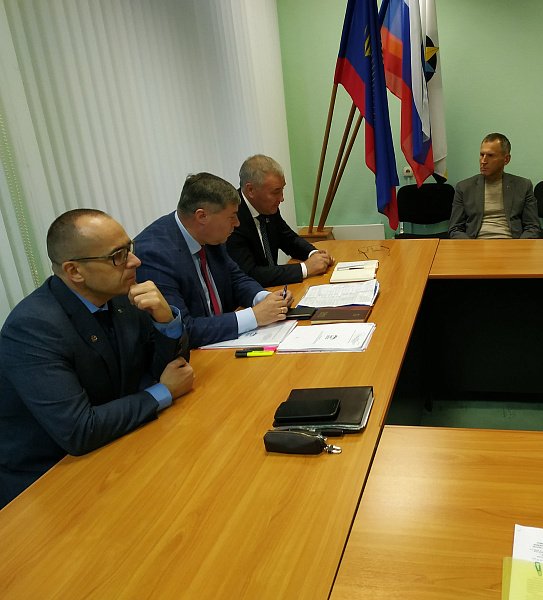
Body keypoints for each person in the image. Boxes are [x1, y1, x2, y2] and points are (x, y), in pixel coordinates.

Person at [0, 209, 193, 507]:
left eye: (129, 248)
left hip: (117, 447)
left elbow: (173, 370)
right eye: (118, 256)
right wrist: (163, 392)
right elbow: (79, 430)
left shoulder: (120, 296)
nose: (135, 261)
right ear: (74, 271)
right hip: (49, 482)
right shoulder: (32, 328)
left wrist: (167, 322)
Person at [135, 172, 292, 349]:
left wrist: (264, 298)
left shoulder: (209, 235)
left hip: (223, 343)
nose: (237, 223)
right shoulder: (154, 254)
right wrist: (254, 316)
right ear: (202, 216)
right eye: (232, 216)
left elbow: (236, 278)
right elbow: (183, 329)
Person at [227, 155, 334, 286]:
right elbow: (250, 274)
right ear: (251, 190)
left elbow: (289, 239)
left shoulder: (267, 207)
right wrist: (305, 268)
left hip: (274, 290)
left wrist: (314, 254)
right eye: (276, 192)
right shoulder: (231, 217)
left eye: (282, 190)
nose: (282, 198)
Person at [448, 133, 541, 239]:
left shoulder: (523, 186)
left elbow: (532, 227)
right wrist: (470, 246)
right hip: (476, 243)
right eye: (481, 155)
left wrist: (519, 246)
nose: (483, 161)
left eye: (490, 156)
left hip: (511, 243)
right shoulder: (464, 187)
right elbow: (455, 229)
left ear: (506, 159)